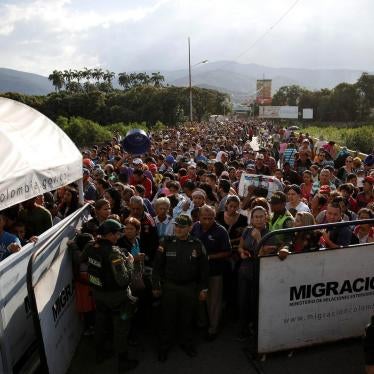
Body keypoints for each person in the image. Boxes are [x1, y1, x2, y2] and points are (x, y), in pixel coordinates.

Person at [81, 219, 138, 371]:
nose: (119, 235)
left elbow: (80, 258)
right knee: (121, 328)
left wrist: (73, 247)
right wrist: (130, 263)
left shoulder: (91, 246)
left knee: (100, 323)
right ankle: (123, 361)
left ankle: (99, 353)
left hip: (98, 294)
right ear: (111, 235)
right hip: (117, 297)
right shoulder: (114, 253)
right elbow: (124, 280)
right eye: (118, 232)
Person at [152, 214, 209, 362]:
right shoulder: (166, 242)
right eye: (176, 225)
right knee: (167, 319)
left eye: (182, 226)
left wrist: (204, 288)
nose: (178, 228)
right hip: (169, 286)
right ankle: (164, 347)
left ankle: (187, 344)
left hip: (189, 287)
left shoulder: (196, 244)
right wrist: (156, 285)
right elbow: (157, 267)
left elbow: (204, 269)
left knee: (187, 318)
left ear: (190, 227)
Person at [191, 205, 231, 341]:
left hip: (215, 271)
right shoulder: (195, 227)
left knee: (213, 301)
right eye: (204, 218)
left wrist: (210, 257)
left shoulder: (221, 231)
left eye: (210, 218)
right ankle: (201, 323)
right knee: (199, 298)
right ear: (199, 217)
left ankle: (213, 329)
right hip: (197, 271)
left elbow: (227, 251)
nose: (207, 221)